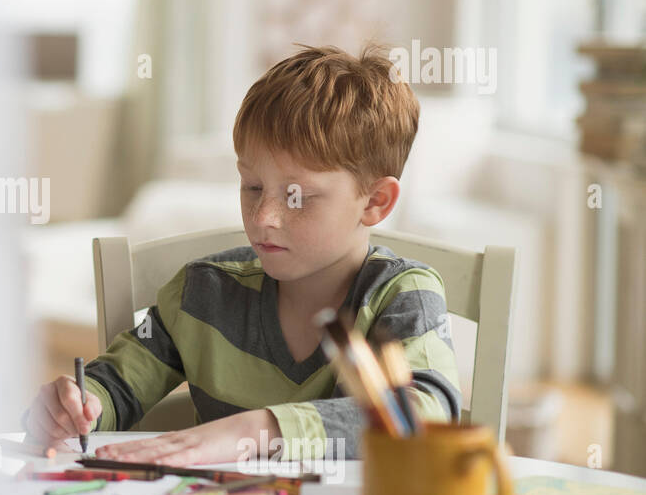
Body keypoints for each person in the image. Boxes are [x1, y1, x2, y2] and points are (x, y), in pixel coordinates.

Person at [24, 44, 462, 464]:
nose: (263, 216)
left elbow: (423, 414)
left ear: (375, 202)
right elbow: (114, 387)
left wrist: (257, 431)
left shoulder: (403, 294)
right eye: (252, 187)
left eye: (296, 195)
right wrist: (75, 407)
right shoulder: (202, 294)